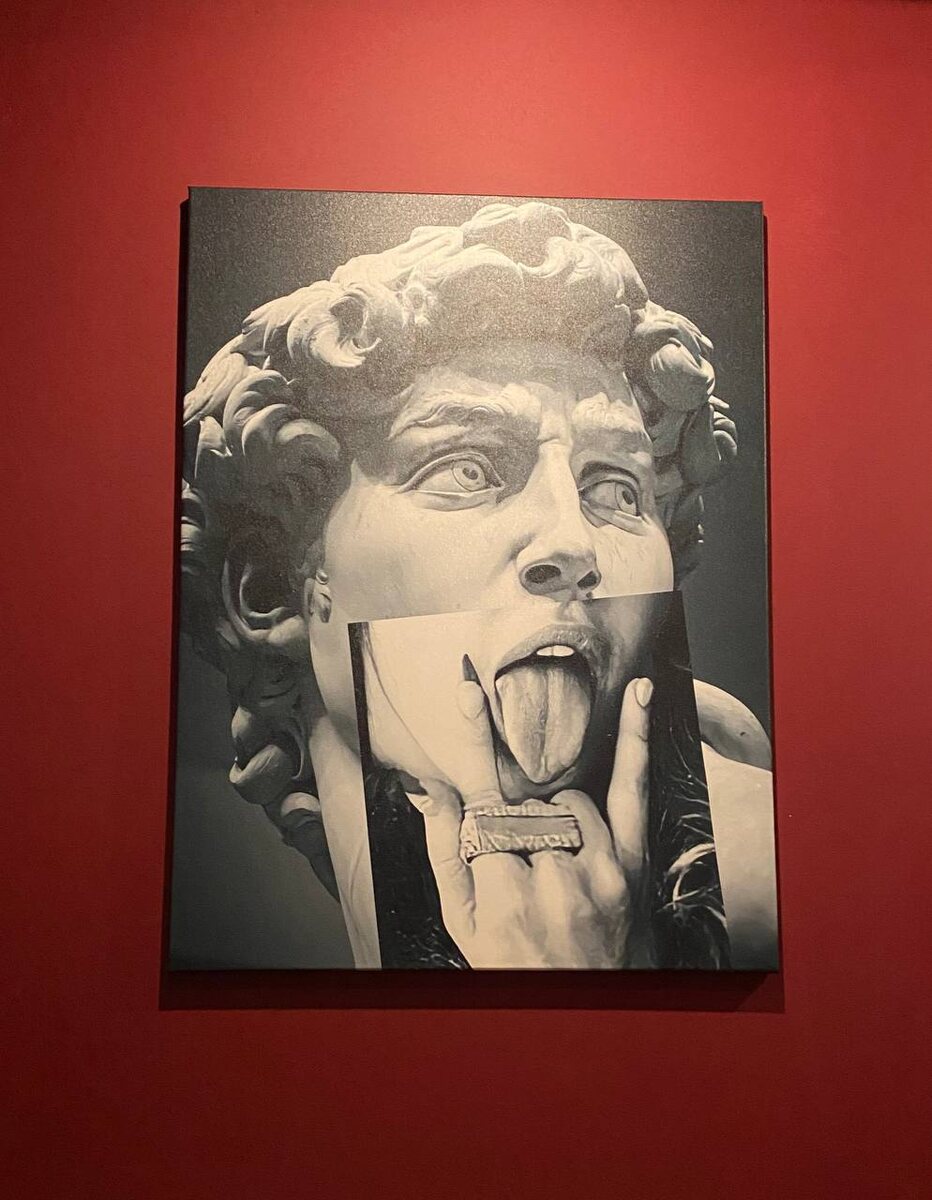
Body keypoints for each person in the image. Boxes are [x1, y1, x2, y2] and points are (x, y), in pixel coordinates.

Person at [180, 200, 777, 969]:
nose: (573, 543)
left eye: (617, 490)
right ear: (273, 589)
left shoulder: (759, 889)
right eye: (466, 469)